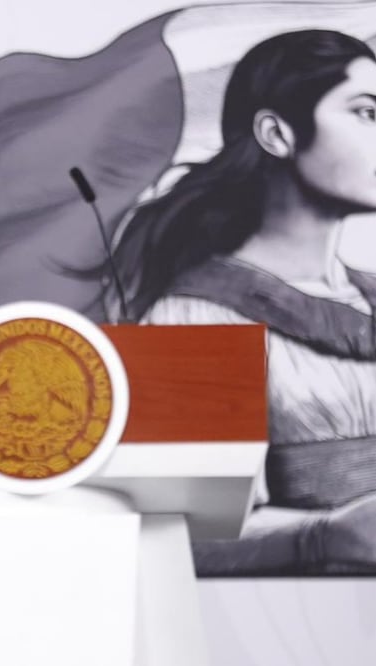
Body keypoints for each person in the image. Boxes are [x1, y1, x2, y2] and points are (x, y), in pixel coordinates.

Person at [111, 29, 376, 575]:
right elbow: (176, 531)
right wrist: (321, 536)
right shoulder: (195, 318)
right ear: (276, 133)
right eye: (367, 113)